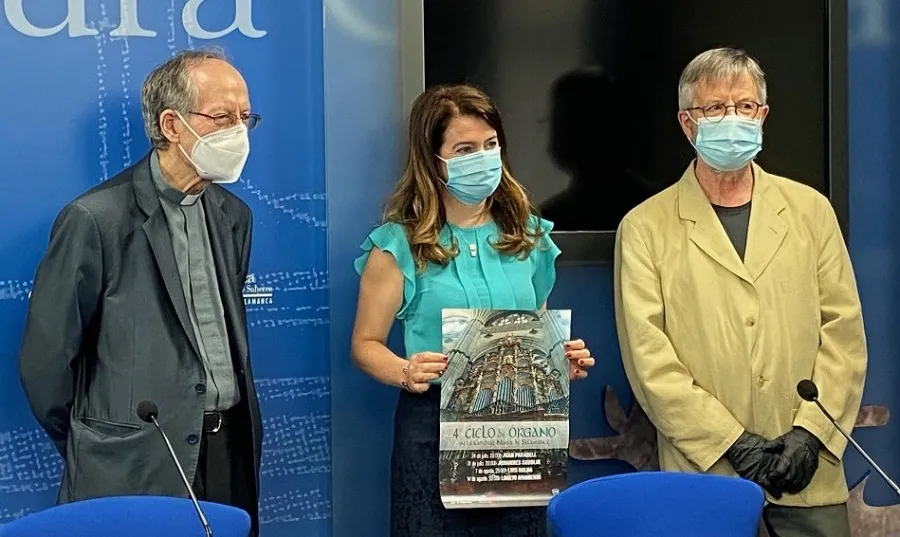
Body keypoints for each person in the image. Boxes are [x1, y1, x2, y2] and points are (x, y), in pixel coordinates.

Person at [613, 47, 867, 537]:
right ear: (688, 124)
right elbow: (650, 362)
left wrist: (810, 435)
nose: (733, 118)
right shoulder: (645, 227)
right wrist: (733, 442)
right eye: (715, 109)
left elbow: (844, 334)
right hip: (706, 476)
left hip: (808, 477)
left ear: (763, 116)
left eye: (745, 107)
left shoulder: (811, 210)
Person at [18, 48, 263, 535]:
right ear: (172, 126)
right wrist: (102, 439)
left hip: (228, 452)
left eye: (245, 117)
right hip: (132, 463)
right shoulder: (95, 220)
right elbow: (45, 364)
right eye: (222, 116)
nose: (238, 131)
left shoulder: (233, 215)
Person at [351, 84, 595, 536]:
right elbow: (365, 345)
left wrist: (560, 357)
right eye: (465, 149)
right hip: (433, 426)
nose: (483, 158)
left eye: (490, 145)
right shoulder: (398, 245)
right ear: (433, 159)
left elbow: (533, 328)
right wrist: (405, 370)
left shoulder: (528, 236)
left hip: (523, 426)